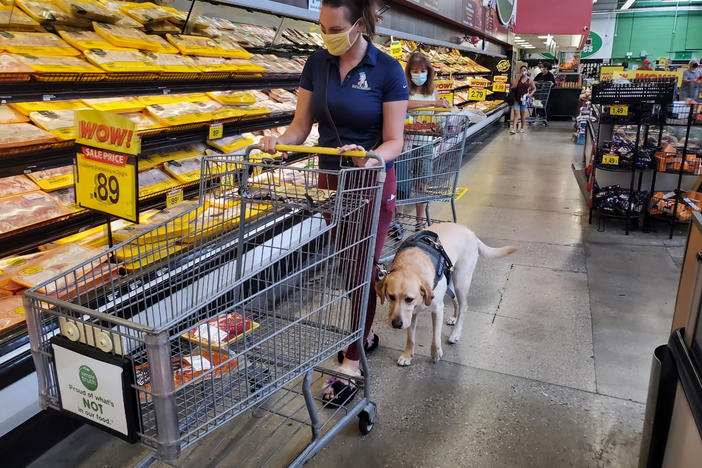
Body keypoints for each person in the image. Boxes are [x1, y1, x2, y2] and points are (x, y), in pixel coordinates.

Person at [259, 0, 408, 406]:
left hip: (372, 182)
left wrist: (371, 156)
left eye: (333, 28)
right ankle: (367, 333)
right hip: (330, 183)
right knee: (348, 266)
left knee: (362, 268)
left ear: (359, 25)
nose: (326, 36)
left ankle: (353, 358)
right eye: (321, 27)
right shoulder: (317, 63)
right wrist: (278, 141)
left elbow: (396, 139)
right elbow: (300, 127)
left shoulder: (388, 71)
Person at [398, 52, 449, 230]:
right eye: (414, 70)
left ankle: (420, 221)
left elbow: (437, 115)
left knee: (422, 183)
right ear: (408, 72)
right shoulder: (403, 87)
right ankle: (399, 220)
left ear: (428, 71)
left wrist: (443, 119)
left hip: (425, 142)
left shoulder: (432, 90)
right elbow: (404, 104)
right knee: (402, 184)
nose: (419, 74)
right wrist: (432, 105)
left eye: (422, 70)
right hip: (404, 143)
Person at [510, 65, 536, 134]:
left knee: (523, 114)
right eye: (521, 70)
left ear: (527, 71)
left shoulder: (529, 80)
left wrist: (530, 95)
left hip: (524, 99)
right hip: (517, 98)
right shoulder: (518, 78)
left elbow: (534, 88)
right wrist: (517, 78)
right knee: (516, 114)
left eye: (524, 70)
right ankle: (514, 128)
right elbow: (513, 87)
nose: (523, 71)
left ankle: (522, 128)